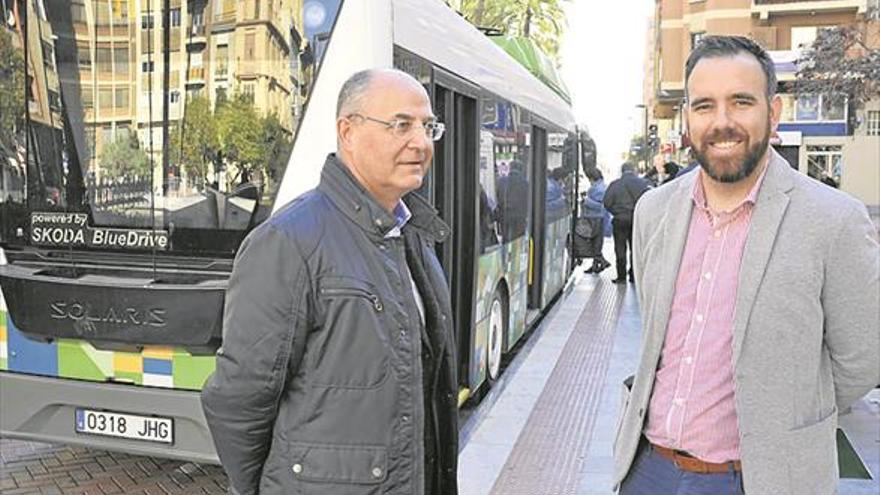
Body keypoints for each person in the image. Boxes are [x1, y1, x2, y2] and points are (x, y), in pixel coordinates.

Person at [613, 35, 880, 495]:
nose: (722, 122)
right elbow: (656, 335)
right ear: (687, 118)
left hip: (763, 479)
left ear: (772, 113)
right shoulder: (653, 211)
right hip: (648, 470)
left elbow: (863, 359)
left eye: (740, 102)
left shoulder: (834, 220)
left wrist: (783, 409)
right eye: (704, 106)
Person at [201, 68, 459, 495]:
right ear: (348, 131)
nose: (421, 142)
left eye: (428, 126)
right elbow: (238, 398)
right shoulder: (288, 242)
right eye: (401, 125)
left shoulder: (412, 236)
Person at [603, 162, 650, 283]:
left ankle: (621, 277)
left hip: (619, 220)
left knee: (620, 248)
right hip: (636, 220)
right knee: (635, 248)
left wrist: (616, 212)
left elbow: (607, 202)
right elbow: (649, 200)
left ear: (622, 171)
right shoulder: (642, 183)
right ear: (633, 170)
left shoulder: (615, 184)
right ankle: (634, 276)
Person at [580, 168, 611, 274]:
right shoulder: (598, 186)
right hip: (594, 218)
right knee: (595, 242)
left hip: (596, 218)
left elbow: (601, 206)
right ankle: (597, 264)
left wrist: (586, 201)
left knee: (595, 242)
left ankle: (601, 262)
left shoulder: (599, 188)